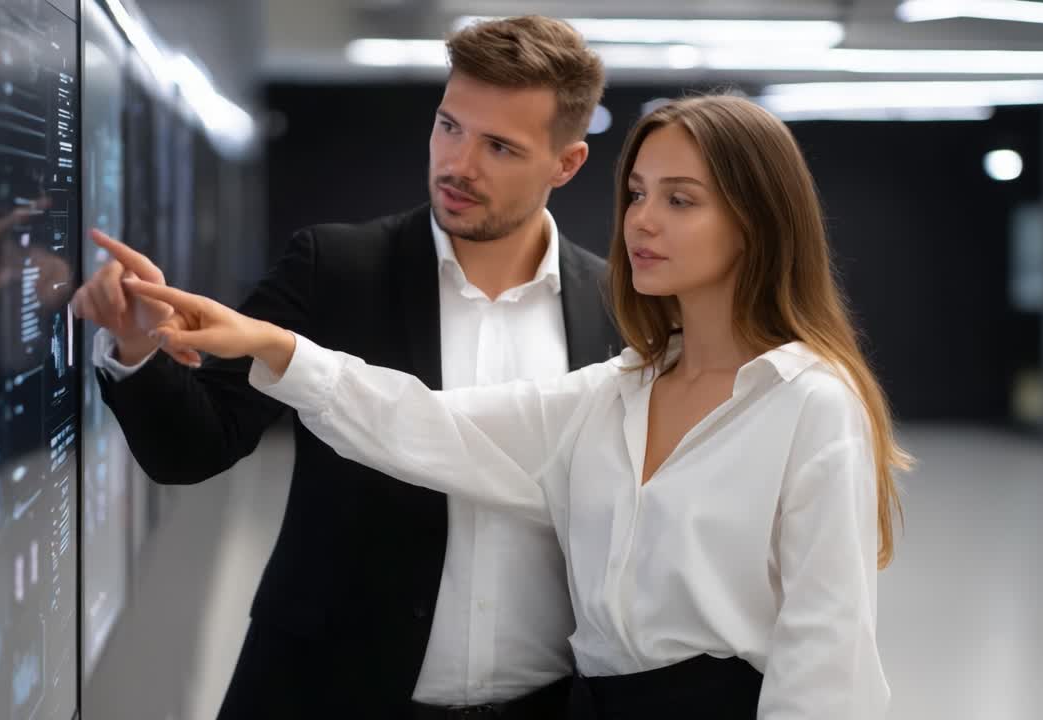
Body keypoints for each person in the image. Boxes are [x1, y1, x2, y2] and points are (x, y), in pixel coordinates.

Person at [117, 94, 914, 719]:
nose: (641, 220)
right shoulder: (618, 391)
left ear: (757, 223)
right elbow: (427, 424)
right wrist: (269, 344)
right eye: (638, 193)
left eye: (681, 200)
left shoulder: (809, 403)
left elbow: (828, 657)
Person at [72, 15, 619, 720]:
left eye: (500, 147)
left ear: (566, 164)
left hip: (546, 705)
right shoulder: (336, 268)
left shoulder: (616, 311)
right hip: (331, 694)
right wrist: (139, 348)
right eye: (448, 126)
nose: (459, 164)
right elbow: (195, 446)